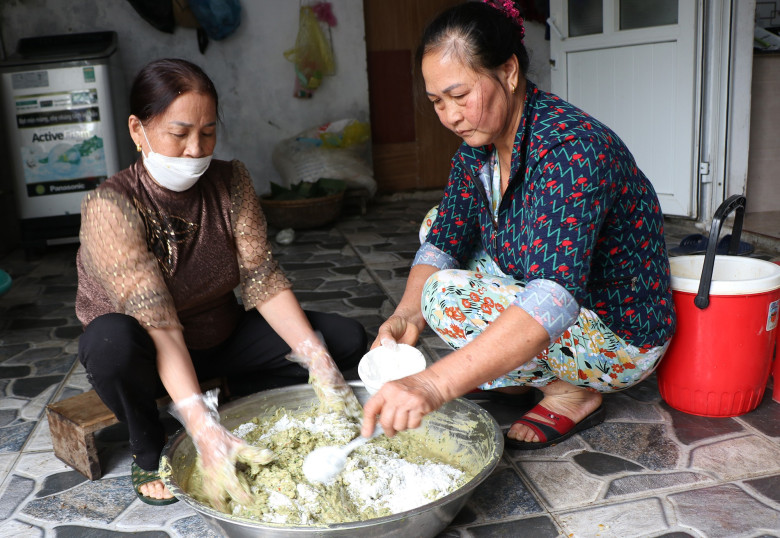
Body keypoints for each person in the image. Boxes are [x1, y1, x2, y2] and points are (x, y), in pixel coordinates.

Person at [360, 1, 676, 450]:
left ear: (508, 71)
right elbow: (446, 236)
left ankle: (573, 391)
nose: (450, 115)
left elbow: (556, 295)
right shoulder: (480, 148)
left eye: (460, 96)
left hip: (617, 333)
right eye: (436, 102)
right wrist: (403, 316)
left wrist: (432, 385)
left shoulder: (572, 149)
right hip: (557, 295)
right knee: (437, 229)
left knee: (446, 295)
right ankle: (511, 371)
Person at [75, 58, 366, 507]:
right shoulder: (110, 207)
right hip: (148, 353)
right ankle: (151, 444)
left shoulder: (231, 181)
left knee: (343, 340)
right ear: (138, 130)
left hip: (217, 336)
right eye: (180, 132)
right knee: (109, 341)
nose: (196, 148)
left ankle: (225, 395)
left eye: (208, 132)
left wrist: (319, 362)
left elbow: (262, 279)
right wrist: (202, 426)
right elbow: (160, 324)